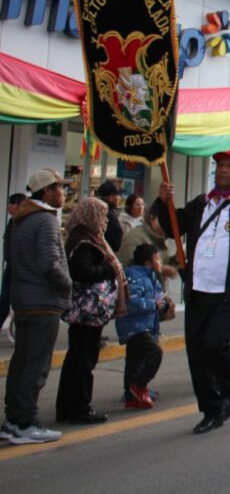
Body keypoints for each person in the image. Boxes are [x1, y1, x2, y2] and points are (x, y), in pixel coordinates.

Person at [155, 149, 230, 434]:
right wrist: (162, 201)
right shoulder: (201, 204)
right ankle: (211, 409)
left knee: (216, 341)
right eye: (220, 165)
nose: (223, 169)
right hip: (198, 290)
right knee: (196, 354)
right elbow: (172, 227)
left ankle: (229, 387)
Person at [1, 170, 72, 444]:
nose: (64, 193)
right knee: (36, 365)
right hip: (43, 302)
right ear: (47, 191)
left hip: (23, 300)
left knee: (21, 362)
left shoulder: (19, 220)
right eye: (60, 188)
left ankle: (13, 420)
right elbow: (50, 263)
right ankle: (26, 422)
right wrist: (68, 285)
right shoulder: (45, 220)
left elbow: (11, 258)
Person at [56, 197, 124, 425]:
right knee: (83, 361)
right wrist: (109, 269)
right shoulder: (84, 242)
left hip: (86, 313)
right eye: (102, 217)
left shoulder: (85, 237)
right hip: (87, 312)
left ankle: (67, 408)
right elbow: (83, 272)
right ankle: (80, 408)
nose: (104, 222)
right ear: (91, 216)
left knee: (77, 359)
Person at [117, 243, 168, 410]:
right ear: (147, 263)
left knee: (135, 359)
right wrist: (153, 304)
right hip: (134, 326)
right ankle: (139, 386)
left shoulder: (151, 276)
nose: (160, 262)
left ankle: (131, 394)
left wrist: (164, 304)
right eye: (158, 259)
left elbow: (159, 297)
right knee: (154, 353)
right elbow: (131, 301)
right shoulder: (134, 276)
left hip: (145, 325)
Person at [1, 192, 27, 338]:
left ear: (18, 205)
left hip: (20, 269)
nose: (8, 207)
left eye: (10, 203)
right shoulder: (13, 222)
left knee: (12, 301)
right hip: (11, 267)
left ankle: (21, 334)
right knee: (5, 300)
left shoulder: (25, 222)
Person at [96, 180, 124, 252]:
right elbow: (116, 242)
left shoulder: (96, 209)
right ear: (110, 197)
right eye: (118, 195)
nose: (119, 198)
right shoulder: (108, 214)